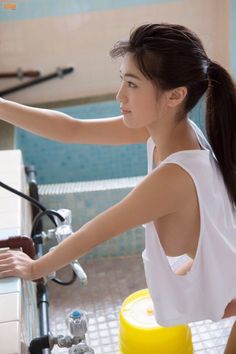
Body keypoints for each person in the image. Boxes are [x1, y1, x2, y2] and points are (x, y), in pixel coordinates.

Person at [0, 23, 235, 353]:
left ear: (175, 95)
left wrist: (36, 267)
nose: (119, 96)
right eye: (122, 80)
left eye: (132, 84)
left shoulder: (174, 177)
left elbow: (98, 229)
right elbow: (73, 130)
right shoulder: (167, 130)